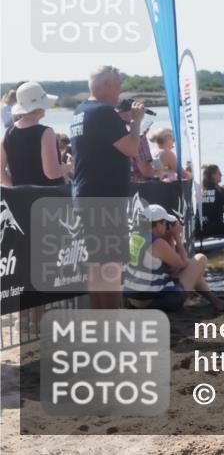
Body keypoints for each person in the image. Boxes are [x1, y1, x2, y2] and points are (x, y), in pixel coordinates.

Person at [71, 66, 145, 309]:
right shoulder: (104, 112)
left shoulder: (80, 111)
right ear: (105, 86)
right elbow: (132, 149)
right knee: (111, 265)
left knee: (97, 264)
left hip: (86, 194)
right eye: (118, 85)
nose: (121, 90)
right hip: (105, 196)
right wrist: (135, 123)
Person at [123, 204, 224, 312]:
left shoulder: (134, 237)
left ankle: (216, 301)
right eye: (164, 223)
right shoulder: (157, 243)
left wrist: (169, 237)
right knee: (200, 259)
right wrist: (177, 236)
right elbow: (182, 264)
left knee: (190, 268)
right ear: (158, 224)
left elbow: (171, 267)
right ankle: (216, 302)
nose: (166, 226)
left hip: (134, 300)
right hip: (154, 303)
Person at [0, 82, 71, 187]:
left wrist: (15, 190)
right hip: (47, 198)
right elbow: (52, 173)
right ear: (40, 107)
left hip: (20, 200)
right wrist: (70, 165)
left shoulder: (8, 133)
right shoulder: (46, 133)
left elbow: (1, 170)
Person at [116, 99, 155, 182]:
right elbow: (146, 171)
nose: (143, 115)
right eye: (141, 112)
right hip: (134, 187)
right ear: (132, 112)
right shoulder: (137, 136)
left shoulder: (112, 131)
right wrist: (160, 172)